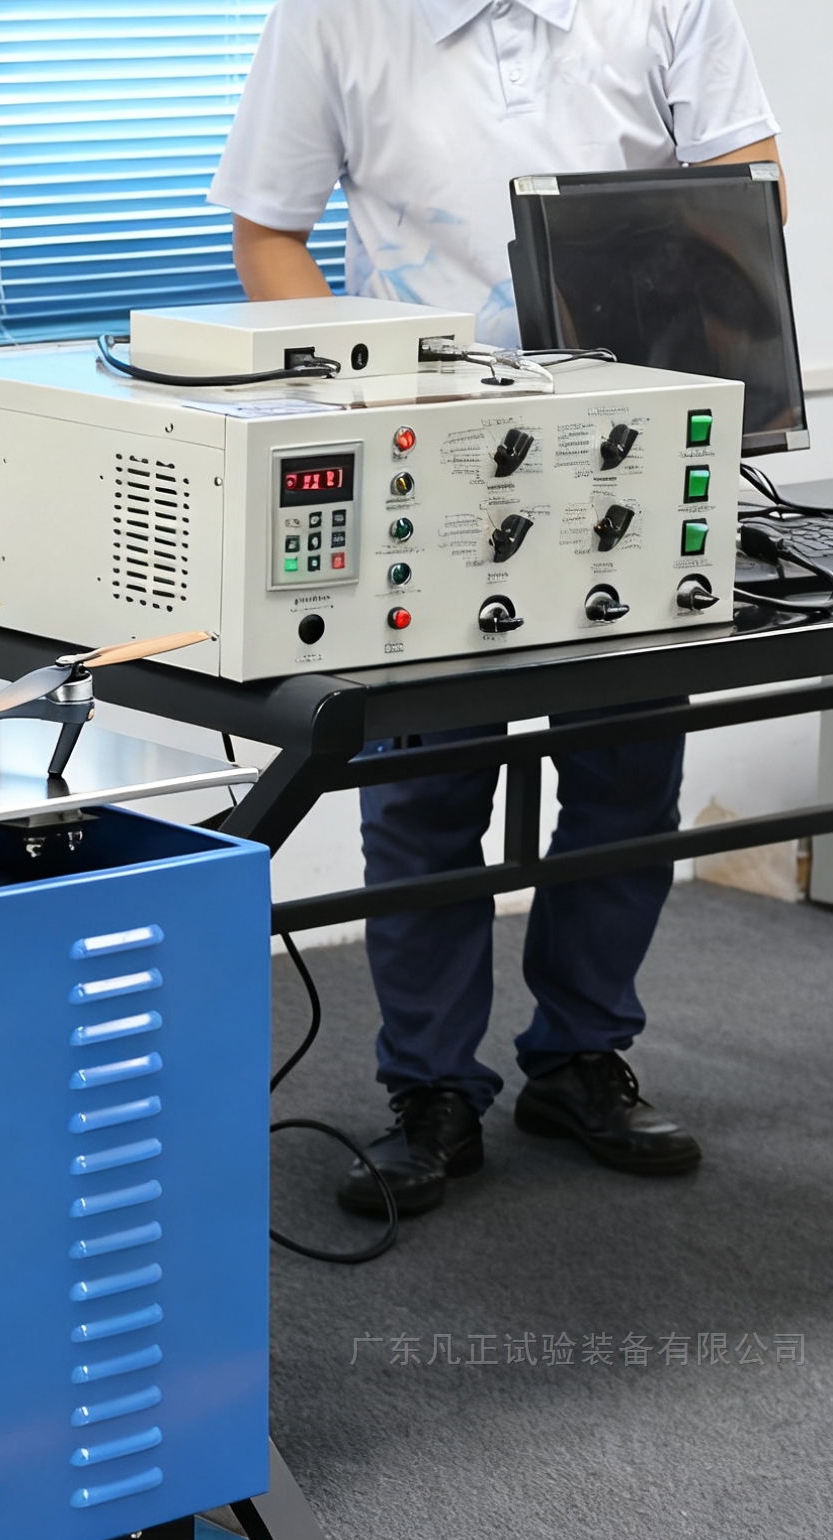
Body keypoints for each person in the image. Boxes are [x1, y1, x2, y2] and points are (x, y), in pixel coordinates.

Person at [209, 0, 784, 1218]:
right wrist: (362, 396)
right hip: (433, 459)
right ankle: (430, 1091)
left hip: (631, 445)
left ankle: (579, 1058)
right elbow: (268, 231)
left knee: (627, 779)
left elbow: (750, 188)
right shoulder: (334, 18)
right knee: (424, 796)